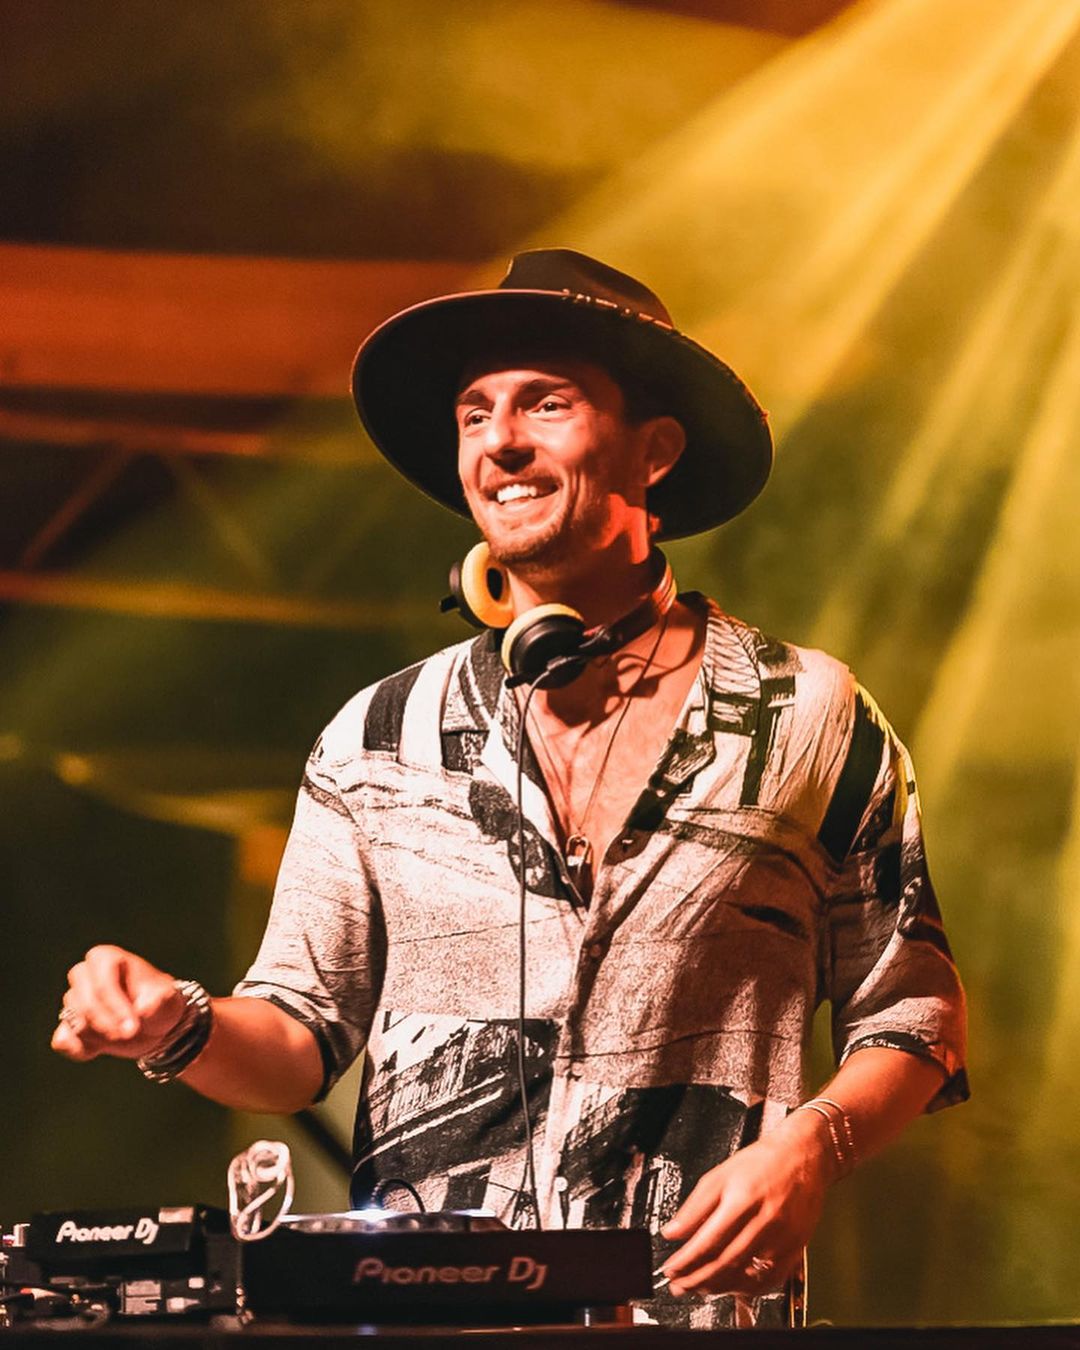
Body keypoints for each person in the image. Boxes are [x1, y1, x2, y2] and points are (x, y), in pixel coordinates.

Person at [52, 249, 967, 1328]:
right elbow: (296, 1043)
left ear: (656, 449)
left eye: (548, 402)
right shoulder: (375, 738)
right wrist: (175, 1024)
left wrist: (814, 1145)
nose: (502, 442)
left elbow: (915, 1015)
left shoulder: (811, 712)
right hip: (428, 1324)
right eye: (475, 413)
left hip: (701, 1317)